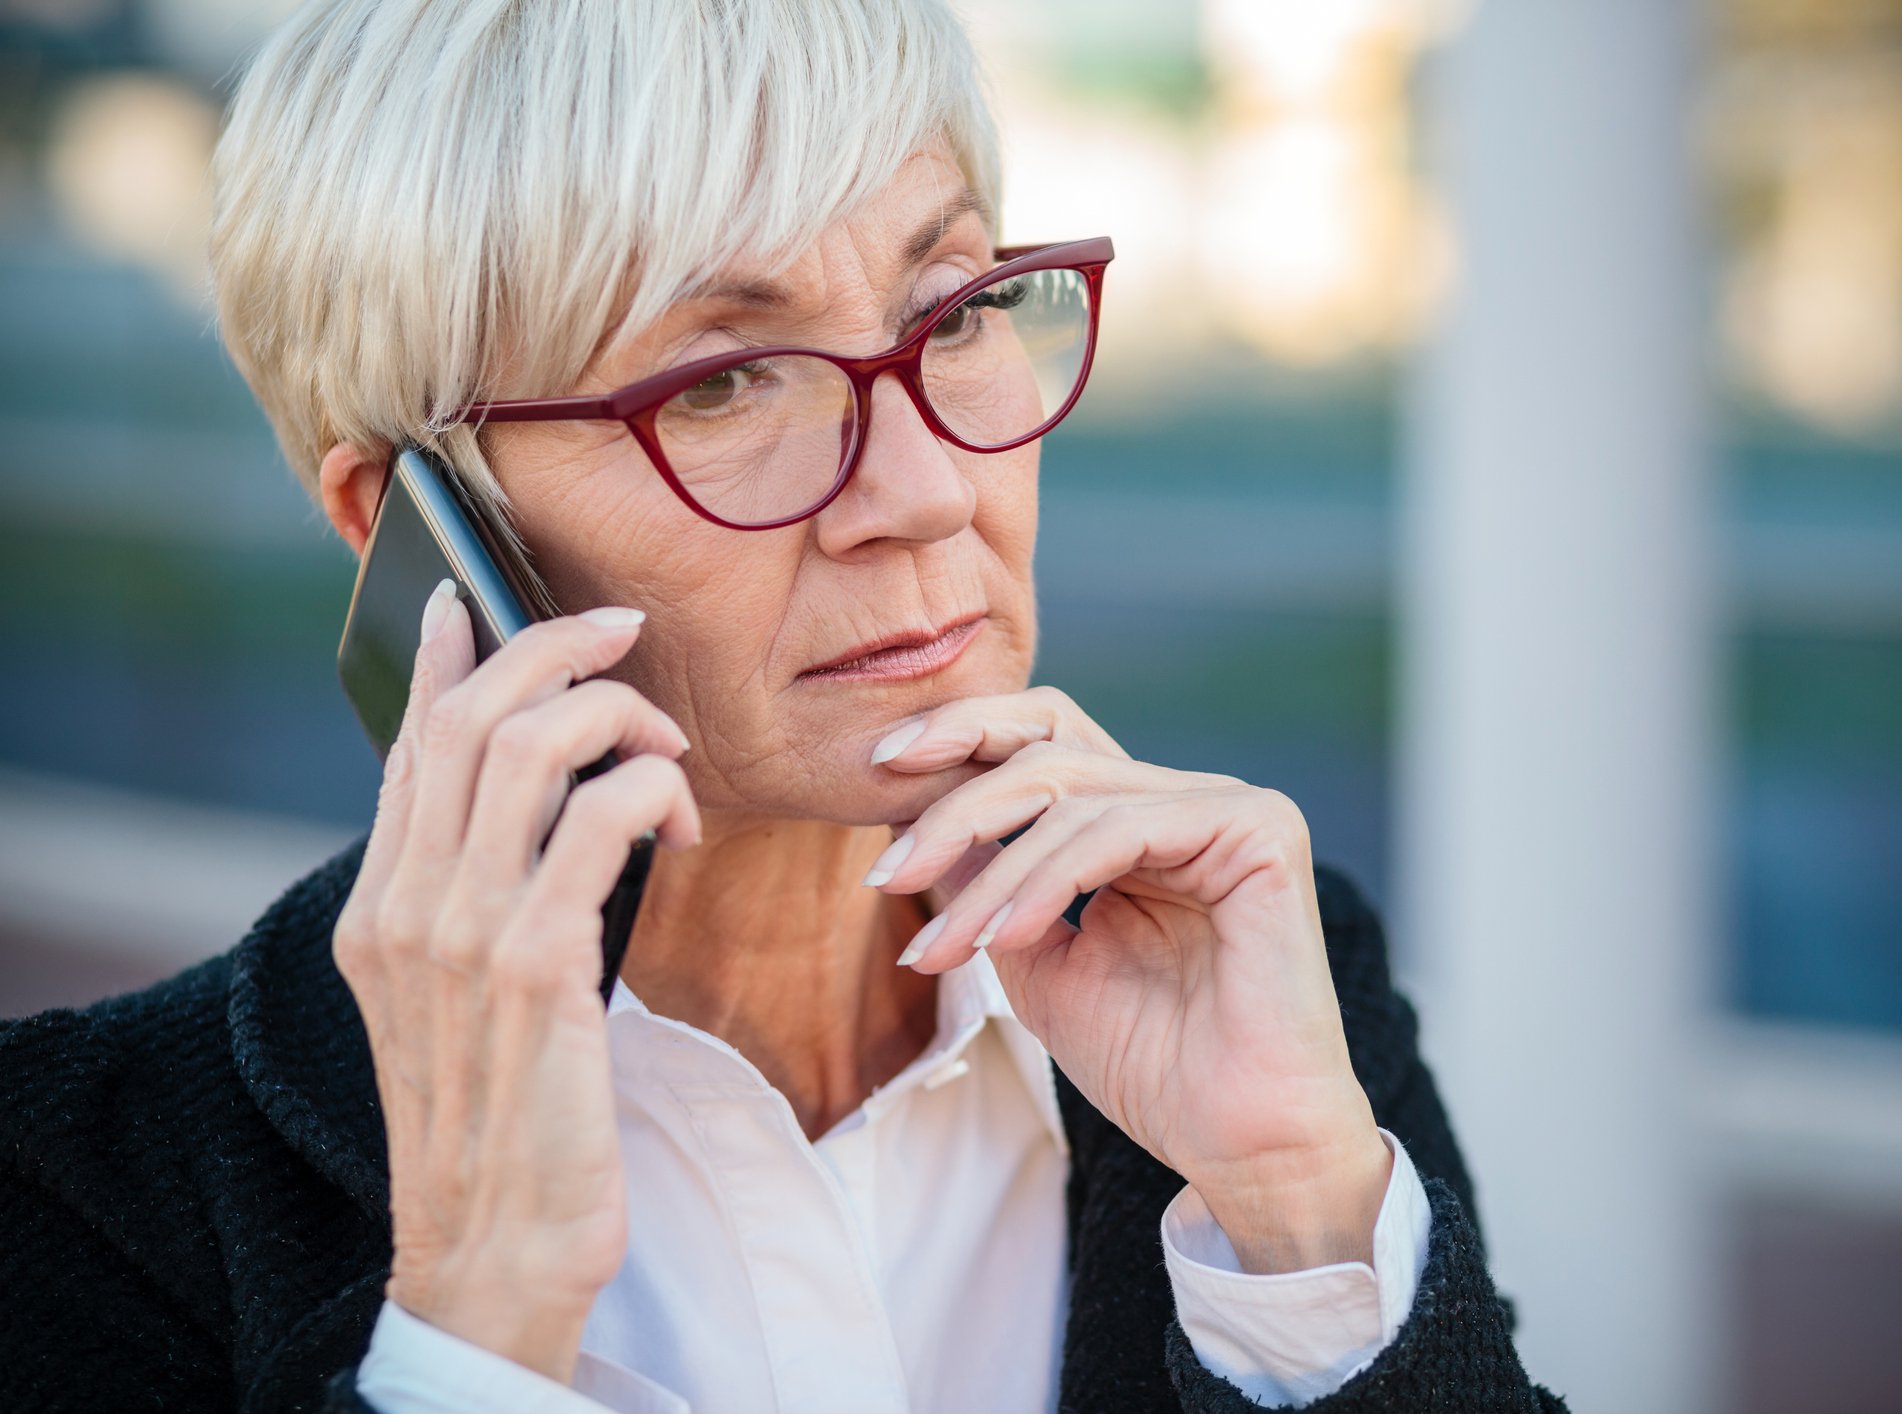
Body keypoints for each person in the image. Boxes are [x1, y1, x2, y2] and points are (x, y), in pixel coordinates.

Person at [0, 2, 1564, 1410]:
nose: (926, 488)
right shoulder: (85, 1180)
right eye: (721, 384)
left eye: (950, 312)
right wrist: (473, 1329)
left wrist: (1298, 1221)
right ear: (408, 521)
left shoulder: (1260, 977)